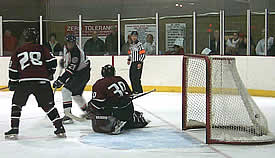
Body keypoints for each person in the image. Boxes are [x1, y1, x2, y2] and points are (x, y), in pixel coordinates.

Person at [5, 28, 66, 139]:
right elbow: (52, 62)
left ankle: (14, 129)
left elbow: (13, 69)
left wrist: (13, 81)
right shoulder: (42, 48)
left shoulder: (19, 51)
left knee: (16, 104)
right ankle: (60, 128)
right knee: (49, 106)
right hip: (42, 81)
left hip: (24, 82)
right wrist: (49, 73)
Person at [86, 64, 150, 134]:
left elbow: (98, 102)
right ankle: (133, 118)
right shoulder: (120, 79)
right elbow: (129, 94)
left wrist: (91, 111)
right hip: (129, 109)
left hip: (116, 112)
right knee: (123, 103)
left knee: (92, 104)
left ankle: (114, 122)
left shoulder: (99, 83)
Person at [53, 34, 91, 124]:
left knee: (65, 91)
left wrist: (61, 80)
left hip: (82, 74)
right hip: (80, 73)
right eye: (69, 42)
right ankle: (89, 111)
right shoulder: (66, 48)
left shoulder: (76, 52)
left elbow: (71, 70)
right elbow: (68, 63)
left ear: (75, 42)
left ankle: (67, 115)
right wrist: (64, 62)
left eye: (72, 43)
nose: (70, 44)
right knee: (76, 94)